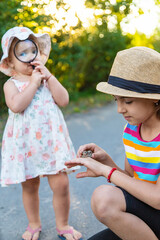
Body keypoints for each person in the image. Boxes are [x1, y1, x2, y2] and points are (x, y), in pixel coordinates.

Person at [65, 46, 160, 240]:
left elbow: (157, 199)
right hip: (145, 216)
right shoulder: (132, 131)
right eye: (116, 100)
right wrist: (107, 164)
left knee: (104, 198)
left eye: (128, 101)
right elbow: (133, 182)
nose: (119, 109)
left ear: (154, 99)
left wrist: (107, 173)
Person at [0, 26, 83, 240]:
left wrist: (49, 78)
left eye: (32, 51)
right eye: (22, 53)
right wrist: (33, 83)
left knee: (62, 183)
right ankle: (34, 224)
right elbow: (17, 106)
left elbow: (64, 100)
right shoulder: (11, 85)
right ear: (10, 63)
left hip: (51, 144)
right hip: (25, 146)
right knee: (30, 186)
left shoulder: (46, 79)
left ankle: (63, 225)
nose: (29, 57)